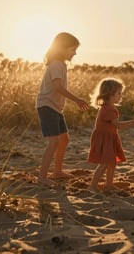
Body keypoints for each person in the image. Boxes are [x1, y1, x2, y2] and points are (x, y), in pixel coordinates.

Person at [36, 32, 89, 186]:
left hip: (55, 108)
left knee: (64, 139)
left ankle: (57, 171)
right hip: (47, 106)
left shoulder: (61, 65)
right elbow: (58, 87)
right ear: (62, 49)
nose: (75, 53)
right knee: (54, 142)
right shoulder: (56, 65)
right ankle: (42, 177)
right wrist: (77, 100)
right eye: (73, 49)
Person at [88, 78, 134, 192]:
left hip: (109, 137)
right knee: (104, 163)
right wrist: (131, 123)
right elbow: (117, 125)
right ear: (109, 95)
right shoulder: (108, 109)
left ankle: (109, 185)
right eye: (118, 94)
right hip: (105, 138)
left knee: (112, 162)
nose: (120, 96)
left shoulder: (109, 107)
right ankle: (92, 186)